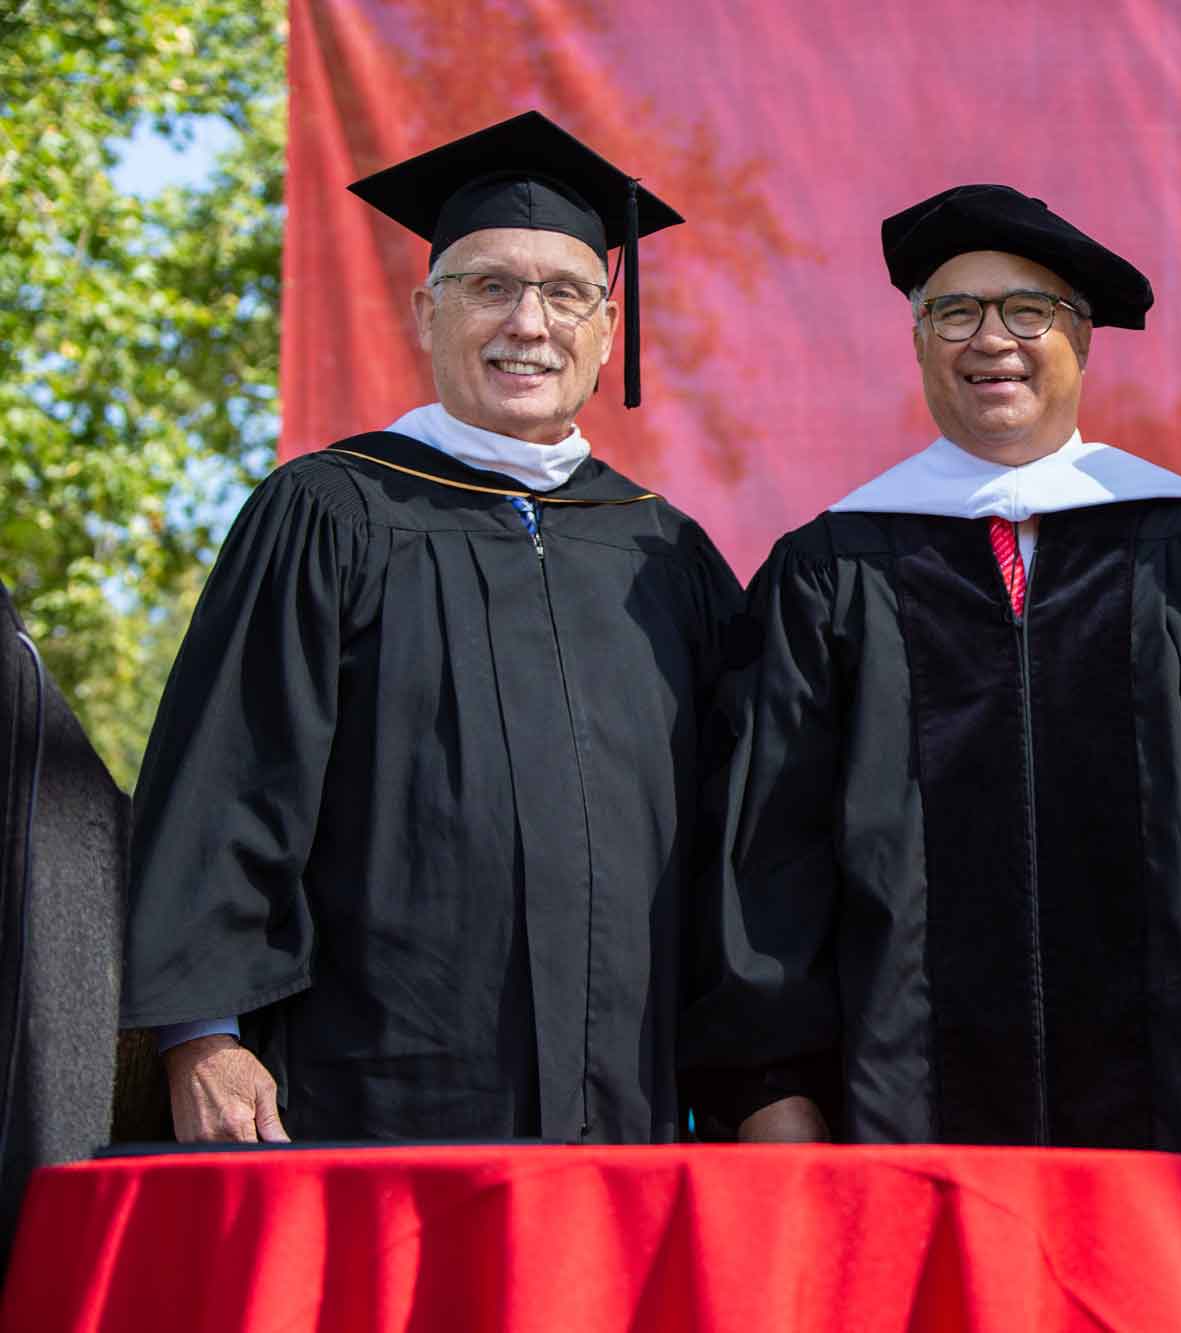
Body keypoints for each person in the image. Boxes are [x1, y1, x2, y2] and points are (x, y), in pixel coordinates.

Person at [121, 111, 742, 1144]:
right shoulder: (328, 513)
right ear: (426, 312)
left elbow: (742, 835)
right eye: (491, 286)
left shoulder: (662, 554)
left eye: (565, 293)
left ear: (606, 329)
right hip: (376, 1087)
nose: (528, 324)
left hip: (627, 1099)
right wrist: (203, 1035)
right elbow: (230, 778)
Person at [683, 185, 1181, 1186]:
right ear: (918, 342)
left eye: (1027, 310)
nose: (989, 339)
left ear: (1083, 341)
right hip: (894, 1109)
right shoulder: (831, 570)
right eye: (953, 312)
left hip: (1171, 1098)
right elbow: (767, 852)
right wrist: (769, 1083)